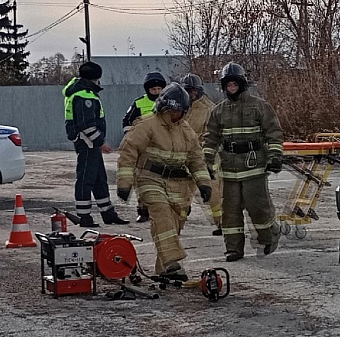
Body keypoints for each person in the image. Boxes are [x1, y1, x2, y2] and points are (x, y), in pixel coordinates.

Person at [117, 83, 211, 281]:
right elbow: (128, 152)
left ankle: (164, 270)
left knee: (172, 226)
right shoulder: (146, 125)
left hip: (179, 185)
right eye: (171, 109)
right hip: (150, 179)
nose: (174, 114)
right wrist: (124, 183)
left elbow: (196, 159)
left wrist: (204, 184)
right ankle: (173, 264)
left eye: (178, 111)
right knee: (162, 216)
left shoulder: (186, 131)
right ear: (162, 107)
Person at [204, 62, 283, 262]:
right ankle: (234, 249)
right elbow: (210, 138)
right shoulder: (218, 111)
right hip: (229, 169)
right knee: (230, 212)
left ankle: (269, 236)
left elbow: (274, 133)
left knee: (258, 207)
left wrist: (274, 157)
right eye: (228, 85)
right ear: (224, 87)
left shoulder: (260, 106)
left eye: (234, 84)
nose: (231, 88)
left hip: (254, 166)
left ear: (242, 84)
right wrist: (206, 161)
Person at [64, 61, 126, 227]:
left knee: (99, 179)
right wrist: (101, 142)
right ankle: (84, 217)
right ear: (96, 78)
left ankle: (108, 213)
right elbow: (86, 124)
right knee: (85, 179)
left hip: (89, 143)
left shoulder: (79, 91)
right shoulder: (85, 95)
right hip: (87, 143)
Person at [180, 73, 224, 235]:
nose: (191, 94)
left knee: (213, 193)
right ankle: (178, 224)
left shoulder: (209, 109)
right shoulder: (181, 108)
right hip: (185, 158)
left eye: (193, 91)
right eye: (188, 91)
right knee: (182, 193)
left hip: (206, 158)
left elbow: (212, 136)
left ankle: (222, 224)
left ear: (198, 90)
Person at [123, 72, 169, 223]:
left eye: (159, 89)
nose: (156, 92)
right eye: (153, 89)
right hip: (144, 149)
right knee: (142, 180)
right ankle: (143, 211)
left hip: (164, 147)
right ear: (147, 89)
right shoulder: (139, 103)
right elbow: (127, 122)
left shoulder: (170, 102)